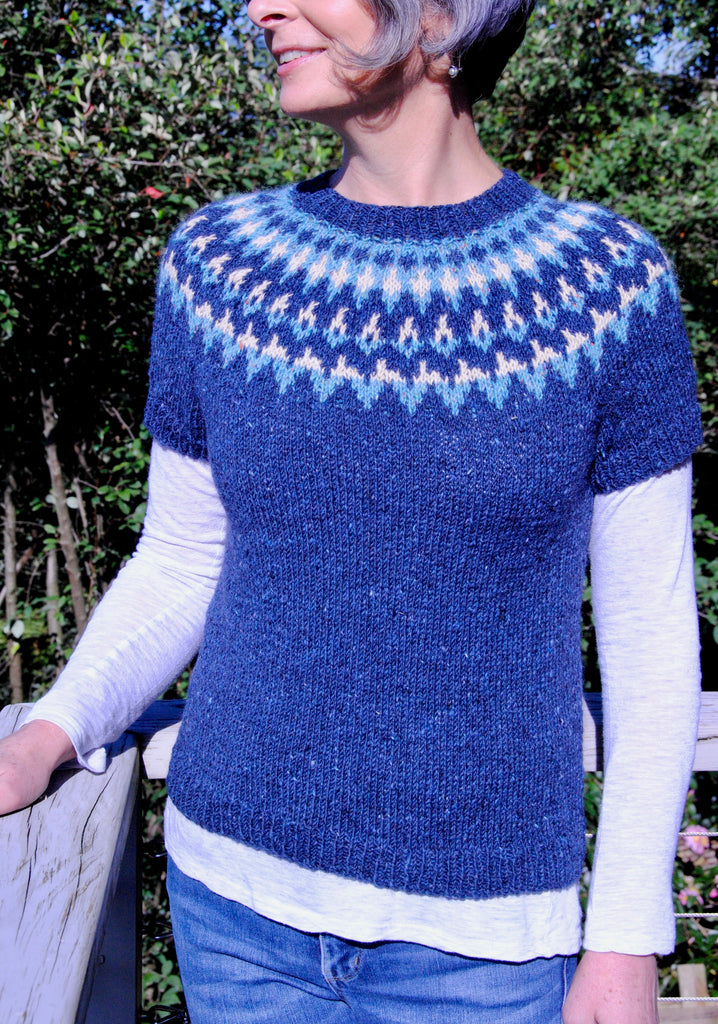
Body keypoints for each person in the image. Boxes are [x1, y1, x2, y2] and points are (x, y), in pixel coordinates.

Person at [0, 1, 703, 1021]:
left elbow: (649, 634)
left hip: (482, 951)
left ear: (440, 17)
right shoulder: (218, 267)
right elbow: (184, 557)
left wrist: (627, 934)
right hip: (230, 908)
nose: (261, 7)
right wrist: (52, 729)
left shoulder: (608, 293)